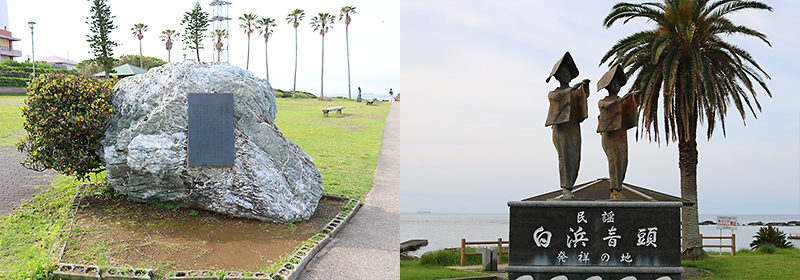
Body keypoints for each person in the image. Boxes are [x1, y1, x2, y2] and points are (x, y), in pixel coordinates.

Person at [545, 52, 589, 199]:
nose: (566, 74)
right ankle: (566, 188)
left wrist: (584, 88)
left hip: (574, 127)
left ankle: (570, 185)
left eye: (567, 72)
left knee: (575, 158)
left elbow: (582, 99)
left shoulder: (574, 92)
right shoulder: (553, 93)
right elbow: (557, 98)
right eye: (562, 73)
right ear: (557, 77)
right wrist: (571, 90)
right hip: (561, 129)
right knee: (565, 157)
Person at [596, 64, 638, 200]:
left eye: (617, 83)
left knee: (623, 160)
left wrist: (633, 99)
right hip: (609, 135)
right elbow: (609, 106)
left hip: (621, 134)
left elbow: (630, 112)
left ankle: (618, 187)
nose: (616, 86)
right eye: (613, 83)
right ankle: (615, 190)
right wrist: (623, 99)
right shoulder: (603, 102)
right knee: (614, 160)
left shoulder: (622, 101)